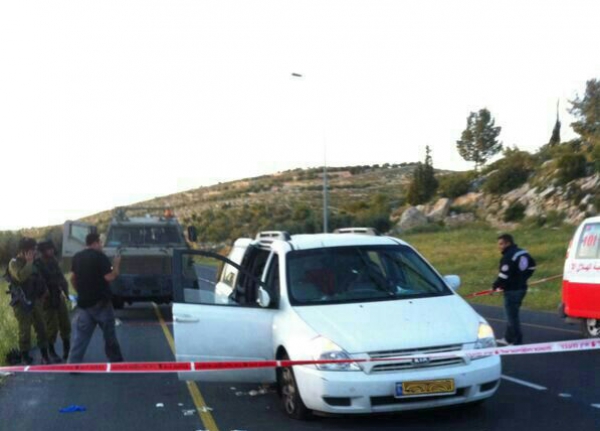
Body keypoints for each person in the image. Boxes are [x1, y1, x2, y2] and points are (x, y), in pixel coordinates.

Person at [68, 232, 124, 363]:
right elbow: (109, 277)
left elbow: (72, 278)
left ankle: (73, 364)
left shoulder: (77, 257)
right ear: (95, 242)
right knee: (109, 336)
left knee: (80, 338)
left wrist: (80, 292)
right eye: (100, 243)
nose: (101, 245)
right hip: (101, 304)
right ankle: (116, 363)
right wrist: (116, 264)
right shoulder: (100, 257)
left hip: (84, 304)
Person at [6, 237, 52, 365]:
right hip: (21, 302)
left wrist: (44, 292)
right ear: (24, 251)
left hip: (35, 300)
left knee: (42, 328)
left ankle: (45, 355)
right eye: (32, 250)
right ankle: (25, 357)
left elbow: (39, 278)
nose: (34, 252)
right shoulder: (14, 263)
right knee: (24, 330)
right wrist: (29, 262)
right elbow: (21, 277)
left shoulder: (34, 263)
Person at [492, 234, 536, 345]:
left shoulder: (508, 256)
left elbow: (503, 275)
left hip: (512, 290)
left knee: (511, 317)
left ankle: (517, 342)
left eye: (501, 244)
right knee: (512, 314)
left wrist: (495, 287)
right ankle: (508, 338)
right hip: (522, 288)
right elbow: (532, 267)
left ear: (508, 243)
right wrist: (523, 278)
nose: (499, 246)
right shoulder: (523, 252)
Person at [35, 240, 71, 362]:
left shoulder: (53, 261)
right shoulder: (38, 264)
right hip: (47, 299)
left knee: (65, 324)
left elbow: (61, 277)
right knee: (52, 327)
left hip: (58, 295)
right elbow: (40, 282)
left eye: (51, 249)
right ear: (43, 251)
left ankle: (67, 350)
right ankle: (51, 352)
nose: (51, 251)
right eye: (48, 249)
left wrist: (65, 292)